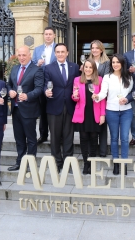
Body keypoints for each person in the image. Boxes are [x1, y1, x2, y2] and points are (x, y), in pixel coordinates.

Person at [93, 54, 133, 176]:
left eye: (117, 62)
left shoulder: (130, 77)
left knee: (125, 138)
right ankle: (116, 163)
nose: (115, 64)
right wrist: (97, 97)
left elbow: (132, 92)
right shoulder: (107, 77)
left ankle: (124, 164)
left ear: (122, 63)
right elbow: (103, 93)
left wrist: (126, 99)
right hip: (111, 111)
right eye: (113, 62)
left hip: (126, 110)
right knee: (114, 138)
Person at [6, 45, 44, 172]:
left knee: (31, 139)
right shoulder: (15, 68)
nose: (21, 58)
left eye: (24, 55)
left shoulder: (37, 70)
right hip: (16, 109)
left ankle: (30, 164)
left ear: (30, 55)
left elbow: (39, 89)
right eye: (20, 55)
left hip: (29, 110)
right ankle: (20, 162)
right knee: (19, 138)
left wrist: (27, 96)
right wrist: (10, 91)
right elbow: (9, 84)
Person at [44, 43, 80, 173]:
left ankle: (67, 162)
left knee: (68, 135)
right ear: (55, 53)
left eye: (62, 52)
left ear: (67, 53)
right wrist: (45, 92)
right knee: (55, 136)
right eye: (58, 52)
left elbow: (78, 84)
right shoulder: (48, 68)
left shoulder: (75, 67)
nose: (60, 54)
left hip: (71, 105)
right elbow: (44, 84)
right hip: (54, 105)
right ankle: (57, 163)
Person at [72, 59, 106, 174]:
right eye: (86, 67)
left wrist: (102, 115)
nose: (87, 69)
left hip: (94, 113)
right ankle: (86, 164)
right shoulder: (77, 80)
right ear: (83, 68)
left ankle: (91, 162)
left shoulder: (99, 80)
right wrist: (75, 96)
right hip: (82, 113)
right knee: (83, 138)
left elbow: (102, 99)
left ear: (94, 69)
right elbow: (75, 98)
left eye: (90, 67)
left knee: (93, 139)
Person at [32, 27, 57, 144]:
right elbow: (32, 65)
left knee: (55, 109)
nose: (48, 36)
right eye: (46, 34)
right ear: (43, 35)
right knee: (42, 110)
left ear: (54, 36)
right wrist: (38, 64)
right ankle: (43, 135)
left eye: (50, 34)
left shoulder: (58, 48)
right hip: (41, 82)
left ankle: (56, 136)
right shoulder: (37, 50)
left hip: (55, 82)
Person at [88, 40, 110, 157]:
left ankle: (102, 151)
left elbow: (106, 77)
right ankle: (92, 150)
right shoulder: (88, 62)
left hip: (101, 94)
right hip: (89, 94)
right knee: (91, 123)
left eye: (97, 48)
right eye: (92, 48)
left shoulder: (106, 62)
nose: (94, 50)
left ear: (101, 50)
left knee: (101, 123)